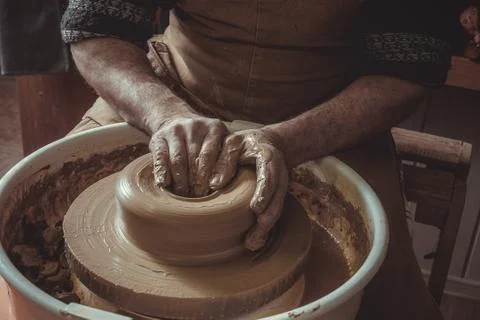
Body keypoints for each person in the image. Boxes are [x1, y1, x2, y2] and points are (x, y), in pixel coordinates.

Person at [61, 1, 456, 318]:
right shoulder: (166, 108)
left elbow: (407, 69)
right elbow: (96, 26)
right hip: (175, 95)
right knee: (55, 233)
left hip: (328, 121)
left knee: (386, 299)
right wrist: (165, 113)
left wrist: (285, 142)